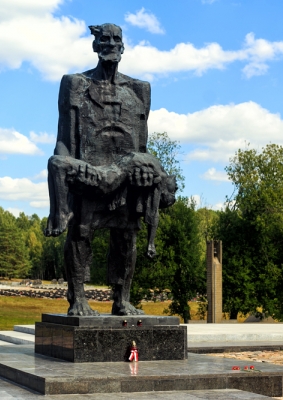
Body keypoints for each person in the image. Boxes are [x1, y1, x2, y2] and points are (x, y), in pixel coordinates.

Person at [45, 23, 176, 316]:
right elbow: (64, 139)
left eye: (117, 39)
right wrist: (67, 178)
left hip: (128, 178)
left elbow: (142, 143)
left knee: (127, 237)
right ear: (95, 46)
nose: (111, 44)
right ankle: (78, 298)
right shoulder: (75, 84)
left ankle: (122, 299)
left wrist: (148, 173)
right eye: (105, 39)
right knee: (81, 233)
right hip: (90, 173)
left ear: (123, 46)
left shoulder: (139, 90)